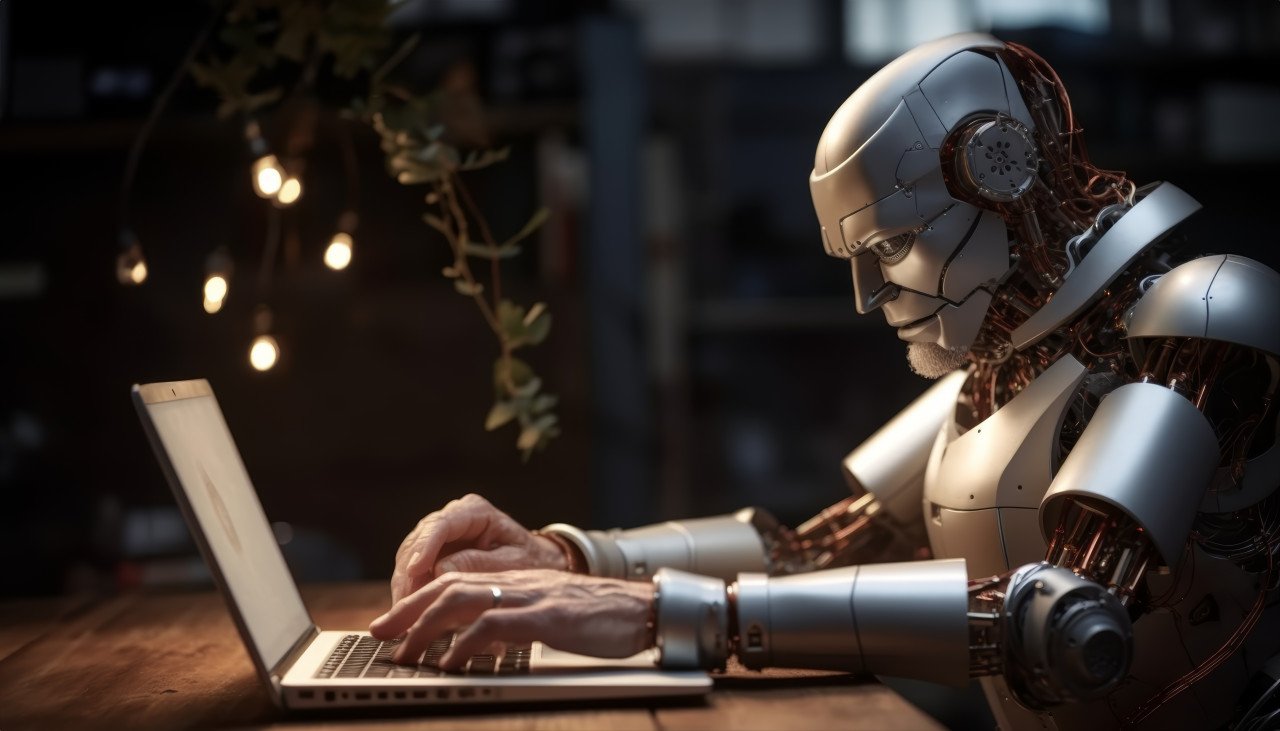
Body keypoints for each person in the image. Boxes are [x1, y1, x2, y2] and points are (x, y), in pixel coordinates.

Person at [369, 33, 1280, 729]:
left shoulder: (1201, 315)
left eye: (887, 246)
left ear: (1001, 170)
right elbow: (812, 551)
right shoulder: (997, 375)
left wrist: (660, 614)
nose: (870, 294)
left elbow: (1070, 620)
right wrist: (572, 560)